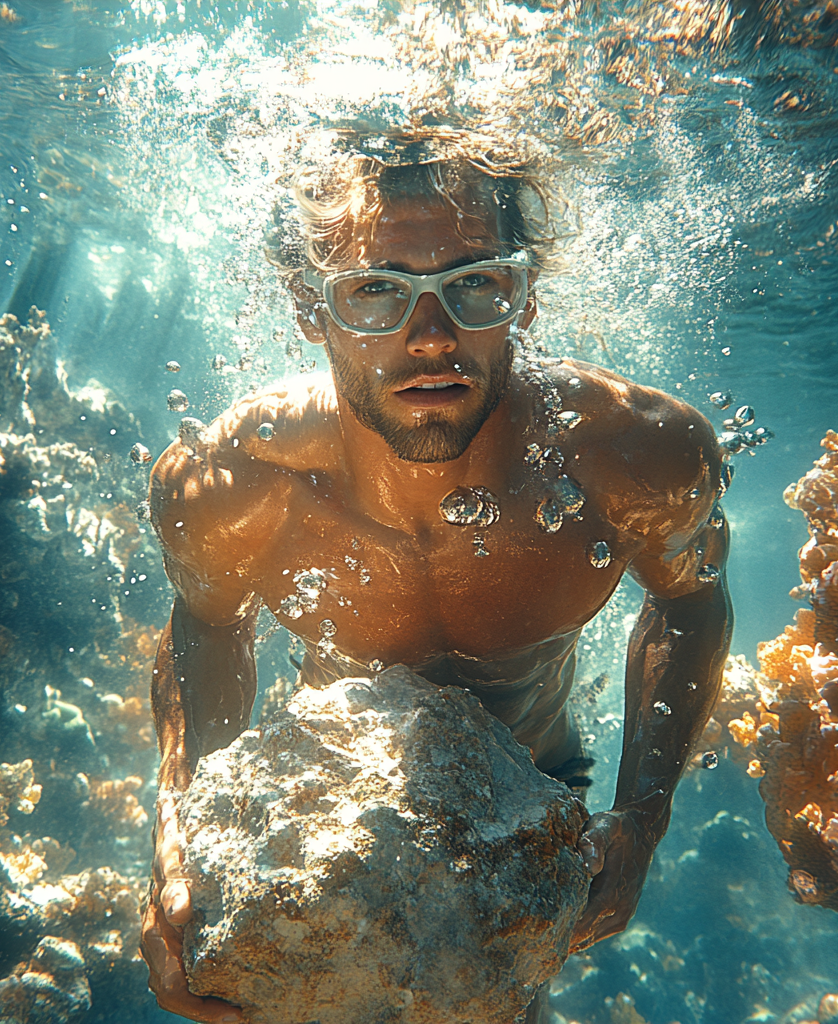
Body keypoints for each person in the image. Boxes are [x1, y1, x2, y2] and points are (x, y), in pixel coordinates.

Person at [139, 131, 733, 1024]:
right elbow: (207, 624)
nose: (430, 337)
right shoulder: (232, 482)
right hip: (323, 803)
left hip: (539, 786)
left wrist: (642, 816)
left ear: (524, 296)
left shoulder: (640, 454)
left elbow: (690, 604)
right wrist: (178, 826)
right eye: (375, 289)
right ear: (310, 309)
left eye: (474, 283)